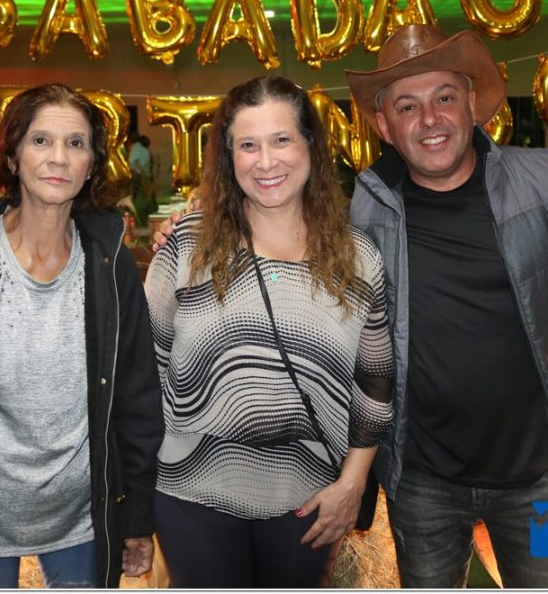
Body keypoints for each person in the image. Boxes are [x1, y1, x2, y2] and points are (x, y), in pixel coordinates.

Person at [143, 75, 394, 588]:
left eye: (281, 140)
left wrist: (353, 483)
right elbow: (146, 369)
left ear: (310, 146)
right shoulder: (186, 245)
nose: (265, 161)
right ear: (228, 157)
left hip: (309, 499)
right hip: (192, 491)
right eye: (247, 145)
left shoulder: (358, 258)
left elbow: (376, 384)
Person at [0, 83, 164, 588]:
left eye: (75, 143)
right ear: (12, 157)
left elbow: (137, 399)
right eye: (40, 140)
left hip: (81, 518)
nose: (58, 157)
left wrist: (136, 516)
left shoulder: (110, 264)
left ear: (92, 165)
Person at [344, 24, 548, 587]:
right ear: (384, 126)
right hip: (424, 487)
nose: (430, 119)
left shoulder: (546, 183)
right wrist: (188, 234)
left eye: (444, 97)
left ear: (472, 103)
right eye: (407, 106)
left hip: (543, 486)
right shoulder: (364, 212)